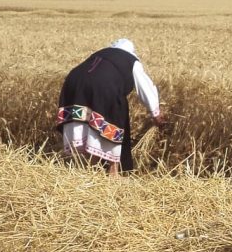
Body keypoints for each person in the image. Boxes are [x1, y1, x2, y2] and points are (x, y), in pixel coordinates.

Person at [56, 39, 164, 175]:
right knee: (114, 118)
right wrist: (155, 112)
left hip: (74, 82)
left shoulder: (101, 53)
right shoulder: (131, 60)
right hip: (103, 87)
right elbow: (145, 88)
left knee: (87, 121)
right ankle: (113, 171)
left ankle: (91, 169)